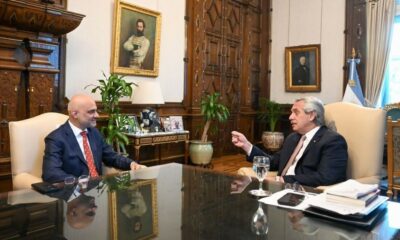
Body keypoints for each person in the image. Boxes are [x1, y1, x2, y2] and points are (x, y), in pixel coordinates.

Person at [231, 97, 348, 187]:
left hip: (304, 193)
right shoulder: (293, 138)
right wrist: (247, 146)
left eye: (296, 112)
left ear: (312, 115)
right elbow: (273, 163)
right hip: (279, 189)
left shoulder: (332, 141)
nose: (290, 117)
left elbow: (327, 177)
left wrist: (283, 180)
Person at [42, 94, 145, 183]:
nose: (97, 115)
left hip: (98, 191)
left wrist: (131, 163)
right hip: (74, 197)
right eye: (91, 112)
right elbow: (51, 173)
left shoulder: (94, 132)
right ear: (74, 114)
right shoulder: (56, 139)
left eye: (96, 111)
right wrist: (81, 184)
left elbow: (111, 156)